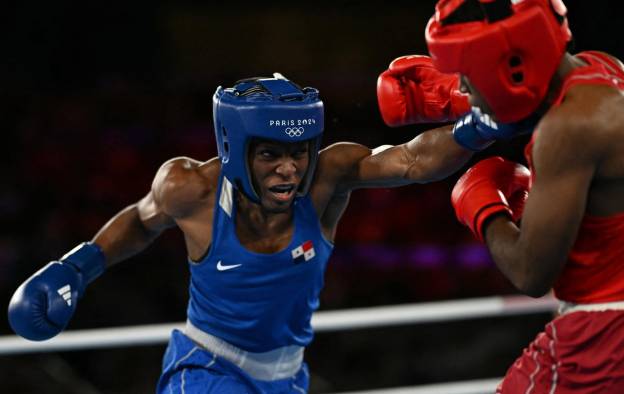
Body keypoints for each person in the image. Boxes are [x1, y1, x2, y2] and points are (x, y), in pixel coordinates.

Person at [7, 70, 511, 393]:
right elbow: (141, 220)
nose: (289, 170)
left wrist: (483, 122)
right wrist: (75, 266)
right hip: (207, 370)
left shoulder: (327, 178)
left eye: (297, 153)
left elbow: (411, 161)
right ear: (235, 149)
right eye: (270, 154)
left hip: (288, 375)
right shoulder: (191, 187)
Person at [416, 0, 624, 392]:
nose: (461, 85)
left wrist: (484, 206)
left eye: (466, 73)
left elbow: (530, 272)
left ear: (509, 65)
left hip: (614, 333)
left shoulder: (570, 126)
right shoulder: (610, 70)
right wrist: (466, 106)